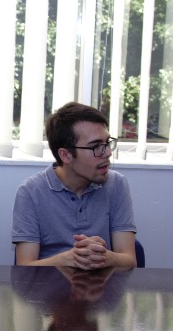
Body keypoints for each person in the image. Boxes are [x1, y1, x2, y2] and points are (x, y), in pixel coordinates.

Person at [12, 102, 137, 269]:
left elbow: (129, 260)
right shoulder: (30, 192)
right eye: (96, 146)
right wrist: (69, 259)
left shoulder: (116, 184)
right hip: (48, 285)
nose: (108, 153)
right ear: (66, 155)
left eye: (107, 143)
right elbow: (25, 267)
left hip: (103, 284)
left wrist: (104, 256)